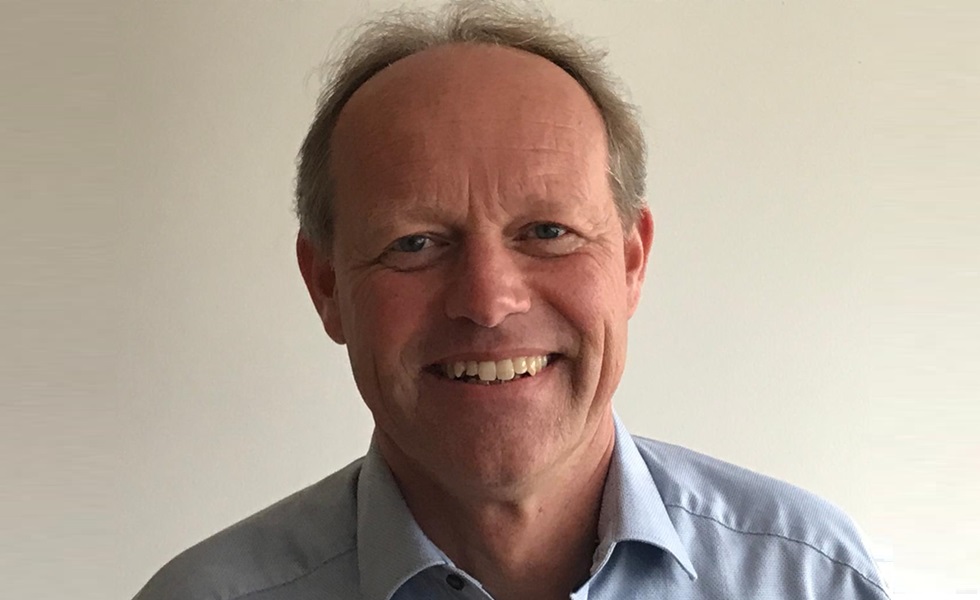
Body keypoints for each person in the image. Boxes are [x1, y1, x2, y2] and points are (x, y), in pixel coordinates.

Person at [134, 2, 891, 599]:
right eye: (415, 243)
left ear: (631, 261)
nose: (488, 301)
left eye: (548, 232)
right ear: (326, 284)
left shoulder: (811, 578)